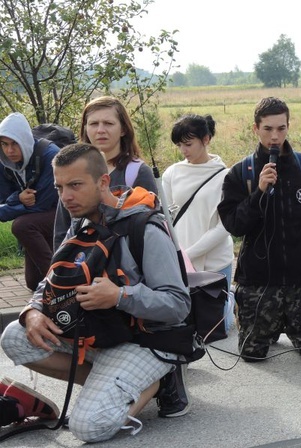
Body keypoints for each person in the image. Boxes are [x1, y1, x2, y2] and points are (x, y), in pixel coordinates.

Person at [0, 143, 190, 442]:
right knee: (15, 335)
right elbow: (52, 279)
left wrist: (119, 296)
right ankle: (111, 383)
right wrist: (33, 310)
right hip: (98, 334)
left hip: (145, 339)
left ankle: (158, 380)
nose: (66, 197)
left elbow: (179, 306)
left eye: (75, 185)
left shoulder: (145, 228)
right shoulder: (79, 222)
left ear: (103, 181)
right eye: (60, 187)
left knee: (87, 427)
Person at [218, 97, 301, 361]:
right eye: (268, 129)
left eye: (281, 128)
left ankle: (291, 323)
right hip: (259, 280)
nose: (275, 136)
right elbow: (234, 225)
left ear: (288, 126)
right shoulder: (241, 173)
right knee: (253, 354)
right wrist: (259, 191)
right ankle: (264, 325)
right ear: (255, 129)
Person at [53, 96, 159, 250]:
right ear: (85, 128)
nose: (100, 130)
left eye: (108, 123)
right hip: (79, 263)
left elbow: (151, 231)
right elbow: (62, 229)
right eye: (93, 124)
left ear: (123, 129)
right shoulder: (72, 169)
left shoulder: (138, 172)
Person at [162, 114, 233, 290]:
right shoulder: (172, 173)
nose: (184, 150)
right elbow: (165, 217)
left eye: (188, 144)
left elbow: (225, 226)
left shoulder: (227, 176)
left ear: (206, 139)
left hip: (216, 263)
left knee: (217, 315)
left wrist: (189, 254)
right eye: (179, 145)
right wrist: (179, 255)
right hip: (180, 262)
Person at [0, 112, 60, 290]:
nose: (9, 150)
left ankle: (61, 285)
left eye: (14, 144)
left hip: (64, 213)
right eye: (4, 144)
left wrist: (3, 212)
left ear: (25, 140)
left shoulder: (51, 155)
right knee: (33, 283)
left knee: (21, 225)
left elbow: (40, 205)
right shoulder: (4, 162)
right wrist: (18, 198)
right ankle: (56, 276)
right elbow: (4, 198)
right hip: (39, 220)